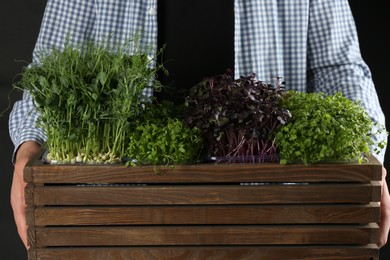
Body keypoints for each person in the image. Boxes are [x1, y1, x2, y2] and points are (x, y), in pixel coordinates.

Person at [9, 0, 390, 250]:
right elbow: (48, 74)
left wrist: (367, 155)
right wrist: (29, 150)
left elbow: (340, 67)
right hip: (123, 211)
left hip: (271, 213)